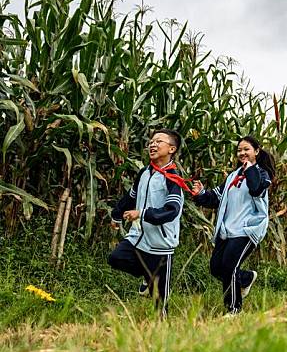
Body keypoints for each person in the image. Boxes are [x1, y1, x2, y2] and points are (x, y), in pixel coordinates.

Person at [108, 129, 187, 318]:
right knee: (116, 258)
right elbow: (132, 196)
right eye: (151, 141)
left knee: (159, 305)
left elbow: (171, 211)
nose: (153, 144)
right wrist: (116, 215)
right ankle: (147, 277)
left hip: (160, 242)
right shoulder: (145, 172)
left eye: (159, 141)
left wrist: (141, 214)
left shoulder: (173, 179)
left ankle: (162, 333)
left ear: (171, 149)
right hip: (138, 236)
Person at [192, 136, 275, 315]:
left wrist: (250, 169)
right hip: (227, 230)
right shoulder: (232, 176)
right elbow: (216, 198)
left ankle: (233, 310)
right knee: (216, 267)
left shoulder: (262, 174)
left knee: (230, 266)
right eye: (239, 150)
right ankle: (245, 278)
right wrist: (200, 194)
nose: (242, 153)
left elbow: (255, 189)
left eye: (246, 149)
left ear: (256, 152)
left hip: (247, 230)